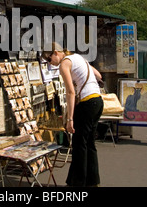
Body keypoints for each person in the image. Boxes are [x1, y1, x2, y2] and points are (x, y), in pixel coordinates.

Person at [42, 42, 103, 187]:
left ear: (56, 53)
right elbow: (98, 74)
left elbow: (70, 92)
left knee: (79, 144)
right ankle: (92, 181)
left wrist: (69, 118)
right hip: (97, 101)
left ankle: (78, 182)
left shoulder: (64, 64)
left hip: (87, 103)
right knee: (89, 144)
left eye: (49, 59)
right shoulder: (77, 57)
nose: (51, 63)